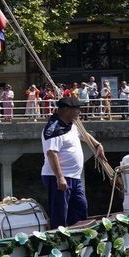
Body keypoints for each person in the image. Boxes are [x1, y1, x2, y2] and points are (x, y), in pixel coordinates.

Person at [42, 96, 105, 228]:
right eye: (77, 109)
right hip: (59, 177)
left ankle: (78, 238)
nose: (79, 112)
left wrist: (97, 144)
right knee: (60, 213)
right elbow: (51, 153)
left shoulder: (71, 125)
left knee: (80, 208)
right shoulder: (54, 129)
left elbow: (84, 134)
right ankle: (59, 240)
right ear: (66, 110)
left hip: (74, 177)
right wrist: (60, 178)